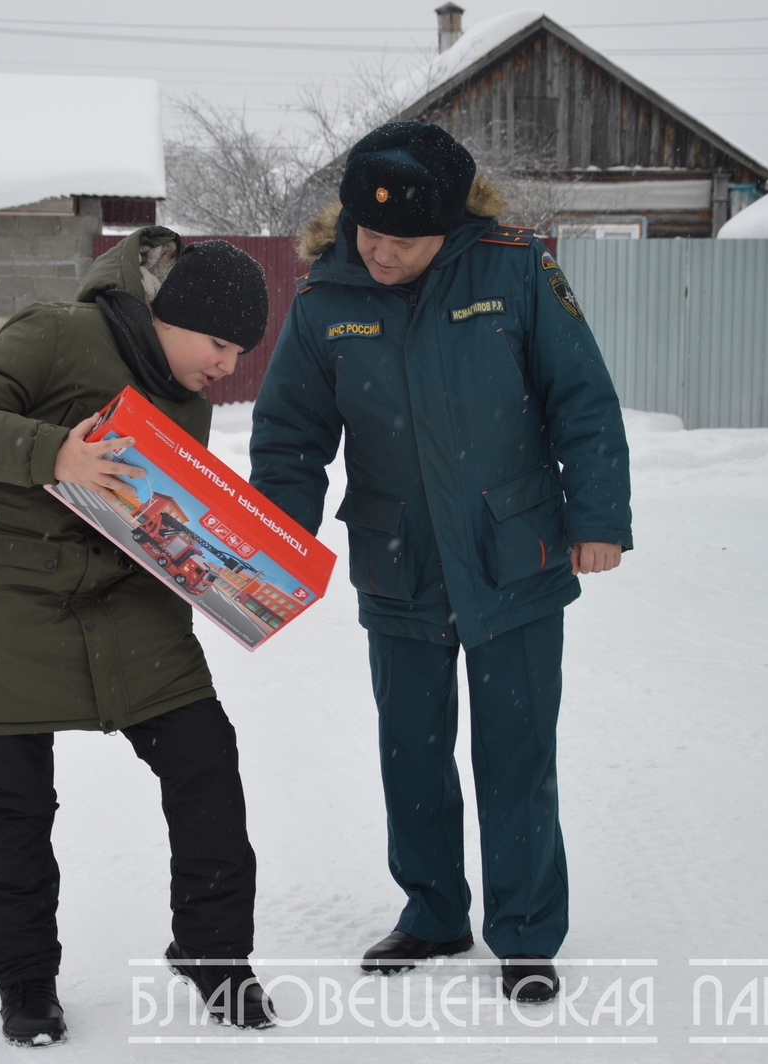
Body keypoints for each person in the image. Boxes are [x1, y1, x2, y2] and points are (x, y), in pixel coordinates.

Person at [250, 122, 632, 1003]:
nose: (382, 252)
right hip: (401, 561)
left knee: (517, 752)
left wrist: (599, 515)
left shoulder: (515, 271)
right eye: (369, 233)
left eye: (405, 240)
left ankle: (527, 934)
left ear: (451, 226)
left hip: (517, 555)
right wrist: (274, 544)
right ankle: (431, 913)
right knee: (411, 753)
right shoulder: (323, 302)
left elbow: (584, 398)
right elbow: (290, 441)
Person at [0, 230, 274, 1045]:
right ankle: (26, 980)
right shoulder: (55, 332)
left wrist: (228, 572)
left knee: (204, 758)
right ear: (172, 317)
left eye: (239, 352)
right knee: (13, 800)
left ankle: (214, 955)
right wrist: (56, 454)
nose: (227, 366)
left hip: (121, 599)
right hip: (2, 598)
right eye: (218, 343)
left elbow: (159, 513)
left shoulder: (187, 398)